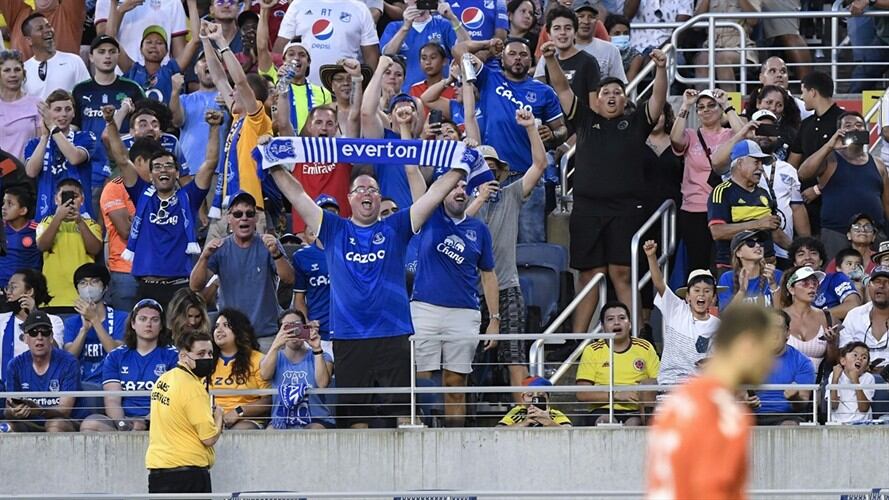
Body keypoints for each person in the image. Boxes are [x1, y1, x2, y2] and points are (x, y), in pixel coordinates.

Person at [262, 133, 479, 428]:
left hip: (393, 334)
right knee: (355, 421)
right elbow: (298, 194)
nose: (367, 193)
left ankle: (410, 471)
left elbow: (432, 195)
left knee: (406, 416)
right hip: (350, 337)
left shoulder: (397, 225)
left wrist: (460, 166)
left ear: (379, 197)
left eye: (374, 189)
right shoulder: (332, 228)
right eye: (360, 189)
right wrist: (274, 164)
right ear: (349, 198)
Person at [541, 41, 666, 334]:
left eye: (617, 93)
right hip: (587, 210)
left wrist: (661, 68)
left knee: (622, 274)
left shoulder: (636, 123)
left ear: (626, 100)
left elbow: (658, 99)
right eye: (605, 92)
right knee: (589, 276)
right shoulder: (584, 120)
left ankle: (634, 339)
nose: (611, 97)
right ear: (596, 100)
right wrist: (550, 59)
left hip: (626, 210)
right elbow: (562, 88)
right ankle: (577, 344)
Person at [645, 304, 778, 499]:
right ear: (747, 346)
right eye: (767, 352)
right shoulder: (722, 413)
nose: (771, 364)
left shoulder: (680, 400)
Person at [103, 105, 221, 309]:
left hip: (181, 286)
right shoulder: (141, 194)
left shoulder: (189, 197)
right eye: (157, 167)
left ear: (177, 172)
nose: (163, 170)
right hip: (146, 286)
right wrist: (110, 123)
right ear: (149, 175)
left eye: (168, 166)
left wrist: (214, 128)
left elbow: (210, 163)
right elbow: (122, 159)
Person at [465, 110, 547, 398]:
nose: (489, 174)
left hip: (507, 287)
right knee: (464, 364)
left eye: (492, 169)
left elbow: (539, 164)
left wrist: (530, 128)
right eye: (481, 169)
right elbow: (458, 224)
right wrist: (479, 198)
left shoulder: (511, 194)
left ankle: (524, 417)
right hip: (467, 292)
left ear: (500, 173)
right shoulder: (459, 202)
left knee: (515, 357)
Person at [457, 37, 567, 243]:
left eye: (524, 54)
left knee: (530, 241)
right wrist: (486, 45)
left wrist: (553, 135)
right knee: (493, 241)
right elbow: (460, 50)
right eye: (512, 54)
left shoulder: (544, 92)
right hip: (493, 177)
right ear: (502, 58)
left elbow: (562, 129)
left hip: (529, 178)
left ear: (531, 60)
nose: (518, 58)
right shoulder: (489, 78)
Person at [411, 177, 499, 427]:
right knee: (422, 380)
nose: (459, 192)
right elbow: (412, 174)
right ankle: (422, 434)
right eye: (453, 187)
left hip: (464, 312)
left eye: (464, 187)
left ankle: (454, 439)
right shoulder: (428, 215)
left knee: (456, 383)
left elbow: (489, 275)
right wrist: (406, 135)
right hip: (425, 308)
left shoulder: (479, 229)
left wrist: (494, 319)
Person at [190, 191, 294, 343]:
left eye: (249, 213)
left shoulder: (269, 244)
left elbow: (289, 279)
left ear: (256, 218)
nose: (244, 217)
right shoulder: (220, 247)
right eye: (238, 214)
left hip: (266, 334)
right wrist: (204, 257)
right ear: (229, 219)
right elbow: (194, 285)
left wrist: (276, 254)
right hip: (232, 336)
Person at [714, 110, 810, 268]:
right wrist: (743, 133)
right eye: (760, 129)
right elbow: (716, 163)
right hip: (735, 264)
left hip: (772, 256)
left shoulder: (785, 171)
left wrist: (802, 251)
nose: (759, 168)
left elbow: (794, 211)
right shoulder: (725, 185)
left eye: (770, 130)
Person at [203, 22, 272, 240]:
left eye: (236, 91)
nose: (230, 93)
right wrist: (206, 40)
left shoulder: (257, 117)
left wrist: (222, 42)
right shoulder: (237, 117)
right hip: (227, 207)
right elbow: (219, 78)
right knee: (212, 267)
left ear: (252, 96)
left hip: (250, 209)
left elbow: (239, 81)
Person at [72, 35, 145, 216]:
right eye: (101, 52)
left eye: (112, 52)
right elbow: (73, 129)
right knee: (91, 222)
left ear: (118, 55)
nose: (107, 56)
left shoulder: (132, 89)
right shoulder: (80, 90)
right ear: (91, 56)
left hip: (124, 165)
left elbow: (143, 124)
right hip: (90, 168)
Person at [799, 112, 889, 260]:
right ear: (839, 132)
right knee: (836, 278)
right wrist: (829, 146)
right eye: (848, 126)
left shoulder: (878, 164)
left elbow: (886, 204)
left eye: (859, 125)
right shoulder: (830, 159)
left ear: (866, 131)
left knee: (877, 278)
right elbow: (803, 173)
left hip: (873, 234)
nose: (855, 128)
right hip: (836, 233)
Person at [79, 298, 178, 432]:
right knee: (90, 425)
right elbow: (112, 399)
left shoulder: (173, 356)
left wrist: (146, 421)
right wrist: (122, 424)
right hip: (124, 420)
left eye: (154, 320)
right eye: (142, 319)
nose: (148, 324)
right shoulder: (116, 356)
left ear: (161, 326)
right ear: (133, 323)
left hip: (162, 419)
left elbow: (171, 399)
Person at [670, 88, 740, 273]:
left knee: (727, 265)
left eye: (711, 106)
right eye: (701, 107)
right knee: (698, 266)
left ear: (719, 109)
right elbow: (675, 139)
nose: (706, 110)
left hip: (726, 209)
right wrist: (686, 105)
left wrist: (727, 104)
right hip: (695, 209)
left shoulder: (730, 134)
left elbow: (745, 136)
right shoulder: (692, 135)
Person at [145, 330, 222, 494]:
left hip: (158, 471)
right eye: (200, 353)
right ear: (183, 357)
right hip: (188, 474)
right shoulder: (194, 389)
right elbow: (208, 438)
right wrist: (219, 417)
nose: (207, 358)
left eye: (210, 353)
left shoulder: (163, 379)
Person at [644, 240, 722, 386]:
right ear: (687, 296)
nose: (701, 295)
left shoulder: (717, 325)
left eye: (707, 291)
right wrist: (651, 257)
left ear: (713, 298)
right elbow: (659, 283)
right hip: (670, 384)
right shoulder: (676, 309)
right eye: (697, 290)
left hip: (700, 387)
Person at [100, 139, 162, 313]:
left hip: (155, 272)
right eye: (154, 165)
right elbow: (126, 231)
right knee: (125, 329)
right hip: (124, 272)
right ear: (140, 161)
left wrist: (135, 218)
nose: (157, 171)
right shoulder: (114, 188)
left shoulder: (161, 190)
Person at [708, 140, 788, 271]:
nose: (761, 168)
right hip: (733, 269)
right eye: (756, 162)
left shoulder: (763, 193)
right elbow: (717, 232)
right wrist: (757, 224)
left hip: (766, 268)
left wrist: (799, 249)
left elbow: (775, 232)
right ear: (740, 163)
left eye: (762, 164)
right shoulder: (722, 192)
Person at [576, 302, 660, 426]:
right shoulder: (592, 350)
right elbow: (582, 393)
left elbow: (658, 382)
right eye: (610, 319)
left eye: (622, 318)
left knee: (634, 425)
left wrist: (642, 396)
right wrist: (617, 395)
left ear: (630, 324)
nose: (616, 322)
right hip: (602, 410)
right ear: (603, 326)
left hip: (636, 410)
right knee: (606, 422)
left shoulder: (645, 347)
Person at [3, 310, 82, 432]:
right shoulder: (15, 365)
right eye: (33, 333)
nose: (39, 337)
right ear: (25, 338)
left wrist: (39, 410)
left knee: (55, 425)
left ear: (51, 337)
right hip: (28, 422)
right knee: (5, 427)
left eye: (45, 332)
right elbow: (8, 409)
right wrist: (14, 411)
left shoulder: (69, 362)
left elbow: (65, 410)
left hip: (62, 421)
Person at [24, 89, 96, 221]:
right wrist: (45, 136)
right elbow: (31, 172)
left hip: (80, 216)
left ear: (74, 112)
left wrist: (52, 126)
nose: (63, 114)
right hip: (46, 216)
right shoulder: (34, 144)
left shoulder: (85, 137)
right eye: (57, 109)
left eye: (68, 109)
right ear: (47, 113)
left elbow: (74, 158)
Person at [788, 71, 844, 235]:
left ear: (812, 92)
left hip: (837, 202)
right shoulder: (806, 125)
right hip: (807, 206)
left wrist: (818, 189)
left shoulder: (844, 121)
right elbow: (792, 164)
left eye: (803, 92)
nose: (802, 97)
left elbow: (853, 164)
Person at [35, 179, 103, 313]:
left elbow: (95, 249)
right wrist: (58, 218)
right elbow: (42, 245)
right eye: (64, 196)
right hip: (52, 298)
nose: (69, 201)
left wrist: (79, 222)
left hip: (83, 299)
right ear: (56, 199)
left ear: (82, 200)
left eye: (75, 196)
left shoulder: (90, 224)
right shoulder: (46, 222)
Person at [259, 309, 334, 429]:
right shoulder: (274, 357)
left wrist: (316, 348)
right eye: (287, 327)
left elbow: (323, 383)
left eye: (297, 325)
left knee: (314, 432)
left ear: (305, 327)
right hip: (281, 420)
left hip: (316, 419)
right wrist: (275, 345)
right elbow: (264, 375)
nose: (293, 331)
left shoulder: (322, 356)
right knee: (270, 433)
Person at [274, 0, 381, 83]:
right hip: (301, 89)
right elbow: (280, 49)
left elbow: (371, 57)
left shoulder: (360, 9)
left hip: (343, 90)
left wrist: (366, 89)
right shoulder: (299, 4)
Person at [285, 107, 354, 233]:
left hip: (341, 231)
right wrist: (283, 93)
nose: (324, 128)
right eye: (318, 122)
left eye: (329, 123)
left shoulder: (344, 149)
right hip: (305, 235)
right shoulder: (298, 153)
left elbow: (354, 119)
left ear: (336, 128)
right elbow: (283, 124)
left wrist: (358, 87)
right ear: (309, 127)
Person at [62, 263, 127, 393]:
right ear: (77, 289)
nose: (88, 288)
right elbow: (69, 358)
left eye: (94, 282)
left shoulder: (122, 318)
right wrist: (84, 330)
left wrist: (95, 321)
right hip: (79, 385)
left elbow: (116, 352)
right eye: (83, 283)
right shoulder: (71, 322)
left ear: (105, 287)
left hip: (112, 384)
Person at [380, 0, 465, 93]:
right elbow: (387, 54)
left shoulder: (444, 25)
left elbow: (465, 50)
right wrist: (405, 27)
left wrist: (453, 18)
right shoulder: (394, 27)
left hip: (440, 94)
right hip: (406, 95)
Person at [114, 15, 201, 104]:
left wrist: (192, 3)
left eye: (159, 43)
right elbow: (111, 37)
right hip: (137, 118)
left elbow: (195, 40)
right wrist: (119, 10)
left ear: (167, 51)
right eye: (149, 42)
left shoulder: (172, 70)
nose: (153, 46)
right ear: (140, 49)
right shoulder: (132, 70)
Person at [209, 309, 272, 430]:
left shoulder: (257, 359)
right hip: (210, 418)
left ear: (239, 331)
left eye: (226, 325)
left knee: (239, 431)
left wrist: (239, 412)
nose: (219, 330)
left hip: (245, 419)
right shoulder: (208, 359)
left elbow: (269, 399)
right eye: (216, 326)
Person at [292, 195, 339, 356]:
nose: (328, 217)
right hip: (319, 334)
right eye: (323, 213)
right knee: (319, 380)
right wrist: (306, 329)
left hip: (348, 332)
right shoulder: (301, 257)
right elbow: (299, 300)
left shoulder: (351, 251)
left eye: (333, 213)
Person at [0, 269, 64, 387]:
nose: (8, 292)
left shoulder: (54, 321)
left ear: (29, 291)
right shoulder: (1, 320)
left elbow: (57, 354)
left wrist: (34, 315)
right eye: (7, 287)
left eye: (13, 287)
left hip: (41, 386)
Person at [752, 310, 815, 425]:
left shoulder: (803, 362)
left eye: (778, 328)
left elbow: (803, 403)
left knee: (789, 426)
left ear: (787, 333)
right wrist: (744, 400)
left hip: (786, 417)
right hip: (751, 415)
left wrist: (795, 397)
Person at [170, 53, 227, 177]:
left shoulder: (231, 98)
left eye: (214, 60)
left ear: (222, 69)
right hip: (187, 170)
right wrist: (174, 92)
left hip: (219, 171)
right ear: (195, 69)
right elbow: (176, 121)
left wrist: (229, 103)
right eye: (203, 60)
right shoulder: (184, 99)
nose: (209, 63)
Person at [532, 6, 601, 107]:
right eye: (557, 28)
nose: (562, 33)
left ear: (575, 32)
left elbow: (594, 106)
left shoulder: (589, 62)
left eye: (568, 28)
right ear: (549, 34)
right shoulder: (549, 63)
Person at [779, 265, 838, 375]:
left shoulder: (827, 317)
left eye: (815, 283)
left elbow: (834, 361)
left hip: (817, 385)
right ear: (791, 289)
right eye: (805, 283)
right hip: (784, 382)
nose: (811, 287)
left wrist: (831, 343)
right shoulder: (778, 318)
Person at [94, 0, 188, 67]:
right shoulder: (106, 1)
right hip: (119, 76)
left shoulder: (173, 2)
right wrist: (120, 11)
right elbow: (103, 41)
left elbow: (179, 54)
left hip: (160, 78)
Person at [692, 0, 760, 92]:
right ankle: (703, 102)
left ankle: (731, 105)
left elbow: (754, 20)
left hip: (741, 47)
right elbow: (696, 26)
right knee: (702, 59)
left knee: (722, 58)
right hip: (712, 45)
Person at [20, 13, 89, 99]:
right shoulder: (23, 70)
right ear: (29, 40)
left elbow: (87, 96)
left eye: (48, 26)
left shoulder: (74, 61)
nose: (48, 30)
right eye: (40, 28)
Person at [791, 237, 862, 320]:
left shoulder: (836, 278)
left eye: (813, 253)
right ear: (795, 263)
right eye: (801, 254)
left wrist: (815, 317)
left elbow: (853, 305)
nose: (807, 257)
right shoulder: (790, 286)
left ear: (821, 261)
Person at [717, 230, 781, 310]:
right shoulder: (726, 278)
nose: (757, 245)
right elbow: (725, 316)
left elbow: (783, 315)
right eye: (750, 243)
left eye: (760, 242)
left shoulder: (776, 275)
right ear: (738, 253)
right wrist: (741, 291)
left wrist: (773, 286)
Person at [840, 266, 889, 370]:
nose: (881, 285)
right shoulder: (854, 315)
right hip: (859, 379)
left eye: (887, 282)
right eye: (877, 281)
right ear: (869, 287)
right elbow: (843, 354)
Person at [0, 49, 40, 160]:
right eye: (7, 70)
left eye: (17, 70)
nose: (13, 75)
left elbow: (41, 144)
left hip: (28, 173)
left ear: (23, 73)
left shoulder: (37, 104)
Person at [570, 0, 624, 82]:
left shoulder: (611, 50)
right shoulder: (560, 49)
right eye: (581, 16)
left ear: (597, 21)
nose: (586, 21)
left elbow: (619, 84)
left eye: (591, 17)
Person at [0, 187, 41, 289]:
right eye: (3, 203)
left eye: (10, 204)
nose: (3, 207)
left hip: (28, 287)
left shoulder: (38, 229)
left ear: (23, 210)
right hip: (2, 286)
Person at [827, 341, 874, 424]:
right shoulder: (834, 375)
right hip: (838, 424)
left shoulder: (868, 378)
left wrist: (856, 381)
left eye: (864, 357)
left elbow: (863, 409)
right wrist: (835, 379)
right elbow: (833, 406)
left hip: (862, 424)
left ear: (867, 366)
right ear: (843, 361)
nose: (859, 359)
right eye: (855, 355)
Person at [497, 376, 572, 427]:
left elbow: (570, 432)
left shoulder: (555, 414)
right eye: (530, 395)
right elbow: (497, 430)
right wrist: (524, 423)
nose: (535, 399)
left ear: (548, 399)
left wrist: (549, 422)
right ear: (523, 398)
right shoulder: (517, 412)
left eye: (541, 395)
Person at [624, 0, 691, 55]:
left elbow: (681, 31)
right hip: (636, 50)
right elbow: (627, 16)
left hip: (669, 51)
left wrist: (658, 53)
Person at [603, 14, 642, 82]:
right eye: (617, 33)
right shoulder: (601, 52)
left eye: (625, 33)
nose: (622, 36)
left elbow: (629, 84)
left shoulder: (635, 56)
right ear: (607, 34)